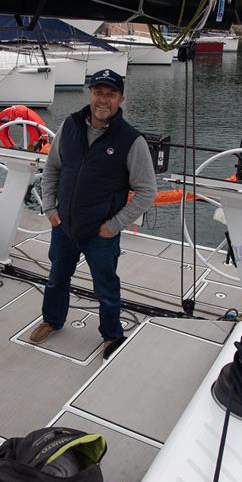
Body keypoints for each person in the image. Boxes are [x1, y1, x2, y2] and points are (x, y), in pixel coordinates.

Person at [29, 69, 157, 358]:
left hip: (101, 232)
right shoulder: (69, 126)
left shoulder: (131, 140)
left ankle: (112, 335)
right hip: (64, 225)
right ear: (90, 95)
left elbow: (147, 191)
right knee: (56, 277)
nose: (103, 99)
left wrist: (113, 226)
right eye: (98, 92)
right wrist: (50, 208)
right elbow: (52, 169)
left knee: (106, 286)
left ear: (121, 99)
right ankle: (52, 320)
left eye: (110, 94)